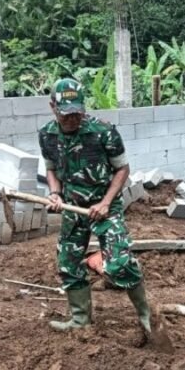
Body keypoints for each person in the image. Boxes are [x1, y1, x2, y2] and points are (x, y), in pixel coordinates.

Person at [38, 78, 152, 335]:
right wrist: (55, 194)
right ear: (53, 107)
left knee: (119, 263)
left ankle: (147, 316)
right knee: (68, 262)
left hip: (105, 207)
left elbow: (122, 169)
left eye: (77, 113)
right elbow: (51, 169)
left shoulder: (103, 132)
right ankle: (80, 321)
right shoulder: (47, 134)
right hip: (72, 208)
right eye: (67, 115)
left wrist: (106, 202)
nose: (72, 119)